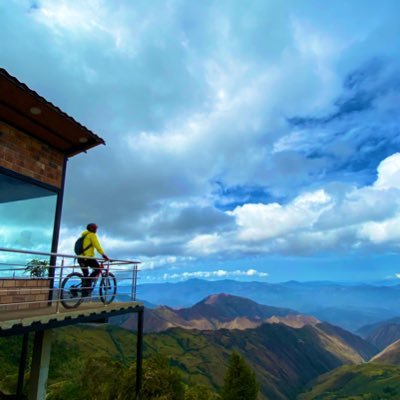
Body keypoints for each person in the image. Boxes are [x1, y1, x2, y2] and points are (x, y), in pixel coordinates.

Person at [78, 223, 109, 297]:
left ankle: (85, 291)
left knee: (85, 275)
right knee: (98, 269)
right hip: (88, 258)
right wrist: (103, 255)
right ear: (92, 229)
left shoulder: (84, 235)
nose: (96, 230)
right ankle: (87, 284)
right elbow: (97, 246)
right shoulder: (92, 235)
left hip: (80, 258)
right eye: (95, 228)